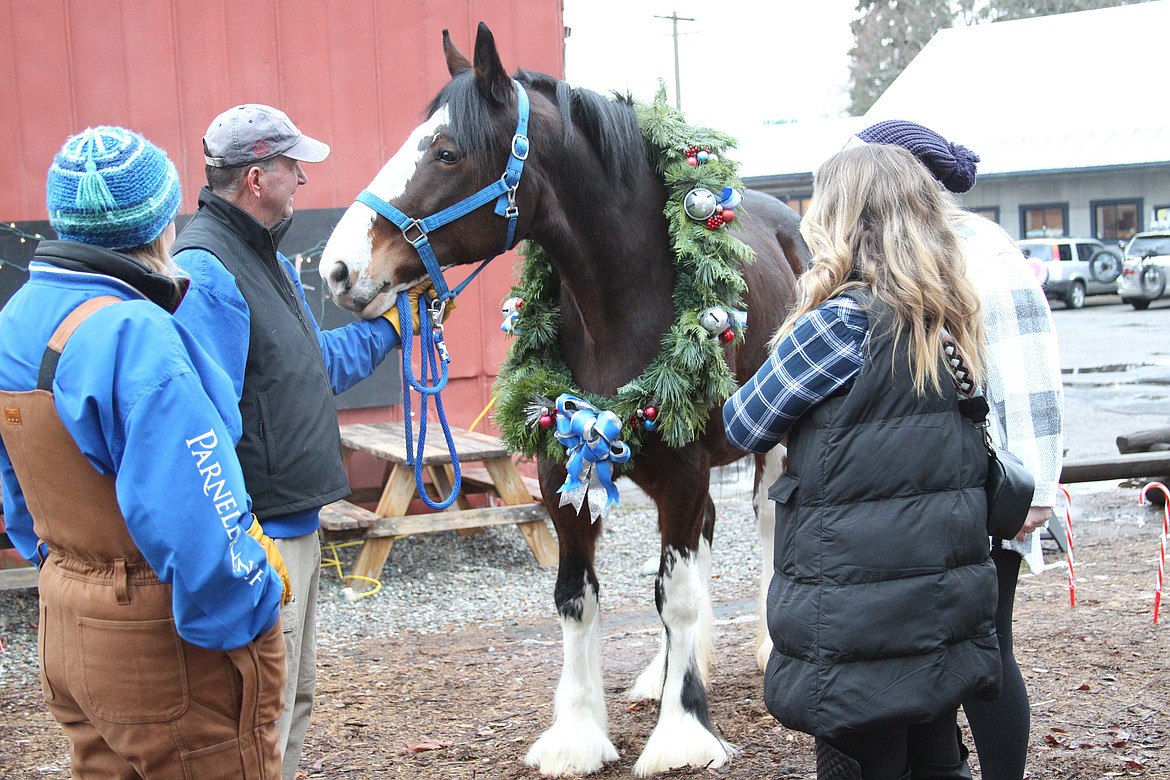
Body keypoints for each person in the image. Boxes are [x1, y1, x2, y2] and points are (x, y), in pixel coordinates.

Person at [0, 126, 288, 777]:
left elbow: (17, 496)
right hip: (164, 649)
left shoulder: (15, 319)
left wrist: (69, 572)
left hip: (67, 622)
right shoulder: (137, 332)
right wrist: (255, 594)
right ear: (159, 220)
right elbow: (198, 517)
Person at [171, 103, 436, 779]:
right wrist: (239, 536)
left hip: (296, 520)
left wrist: (397, 325)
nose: (303, 180)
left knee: (294, 695)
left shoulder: (264, 258)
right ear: (257, 178)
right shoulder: (207, 270)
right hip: (261, 532)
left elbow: (312, 365)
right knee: (261, 708)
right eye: (293, 167)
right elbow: (202, 421)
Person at [723, 142, 1002, 780]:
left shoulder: (837, 325)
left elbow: (744, 425)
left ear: (841, 220)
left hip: (857, 611)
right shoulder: (948, 321)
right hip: (939, 597)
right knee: (934, 752)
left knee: (864, 759)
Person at [851, 119, 1064, 780]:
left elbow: (1030, 377)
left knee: (986, 656)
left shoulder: (979, 250)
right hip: (942, 502)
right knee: (942, 659)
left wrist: (1036, 488)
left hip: (993, 500)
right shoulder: (909, 255)